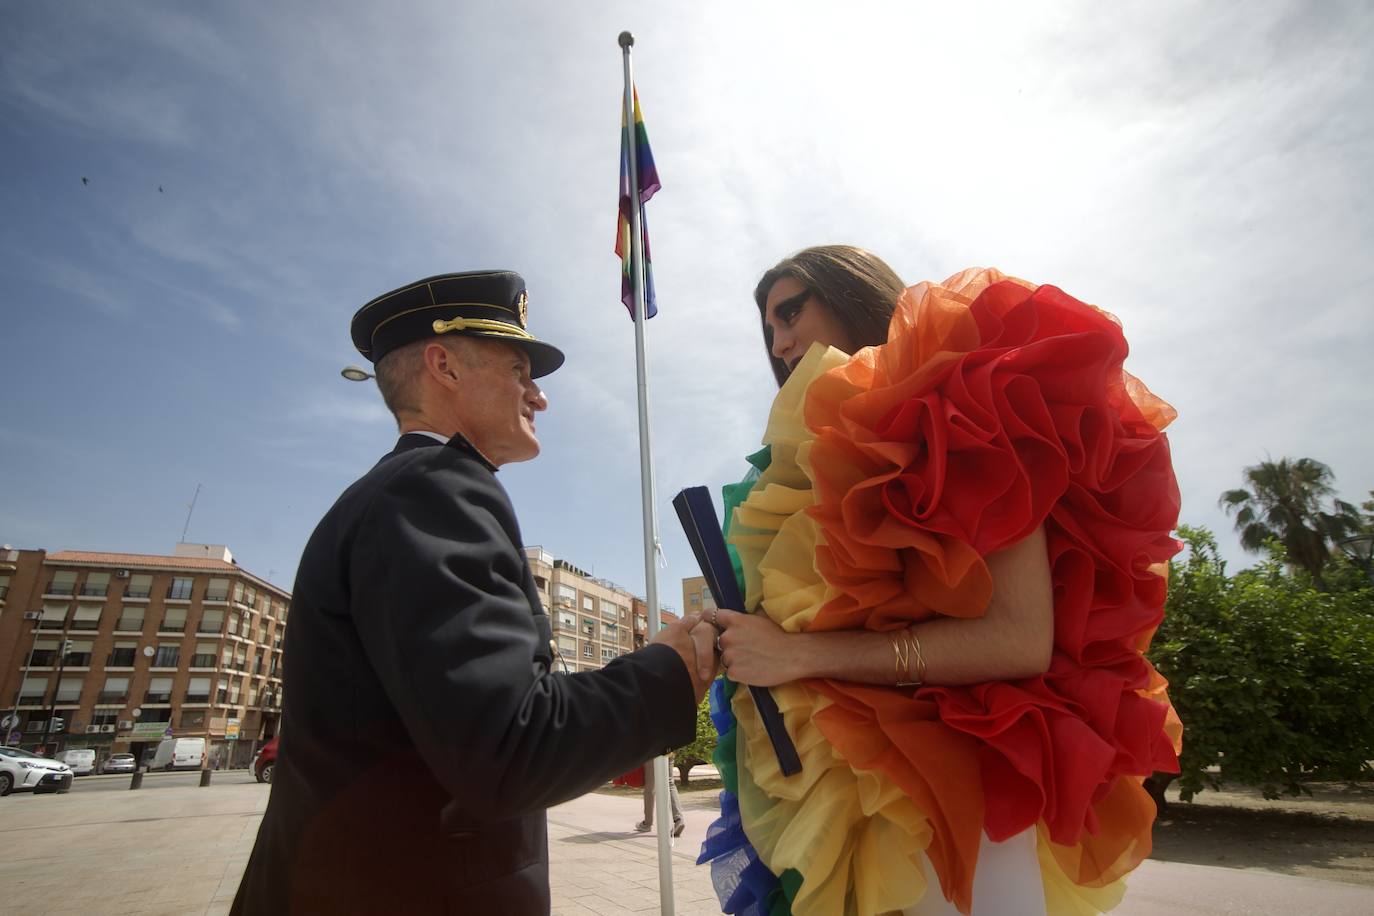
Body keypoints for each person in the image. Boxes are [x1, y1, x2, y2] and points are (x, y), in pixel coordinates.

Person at [698, 247, 1182, 916]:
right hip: (842, 787)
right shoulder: (797, 463)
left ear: (853, 297)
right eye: (768, 330)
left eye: (790, 312)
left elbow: (1019, 639)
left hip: (962, 789)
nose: (778, 343)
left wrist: (800, 653)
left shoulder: (970, 408)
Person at [231, 270, 718, 916]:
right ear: (444, 367)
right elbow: (510, 747)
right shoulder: (435, 488)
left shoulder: (391, 494)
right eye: (520, 368)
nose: (538, 396)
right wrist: (670, 674)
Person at [635, 752, 684, 836]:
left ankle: (647, 823)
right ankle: (678, 819)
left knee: (650, 787)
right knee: (669, 783)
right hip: (669, 748)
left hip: (654, 750)